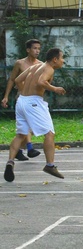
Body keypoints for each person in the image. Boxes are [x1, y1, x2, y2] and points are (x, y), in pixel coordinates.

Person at [4, 48, 66, 182]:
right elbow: (41, 82)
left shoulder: (36, 66)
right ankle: (50, 165)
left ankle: (10, 161)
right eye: (62, 58)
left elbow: (18, 80)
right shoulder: (49, 68)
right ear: (55, 59)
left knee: (21, 134)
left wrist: (25, 92)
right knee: (49, 133)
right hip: (33, 102)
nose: (63, 61)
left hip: (22, 101)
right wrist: (55, 89)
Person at [2, 39, 43, 161]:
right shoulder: (20, 63)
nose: (37, 51)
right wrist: (6, 96)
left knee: (26, 128)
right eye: (35, 48)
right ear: (28, 50)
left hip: (35, 98)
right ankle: (29, 148)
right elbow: (12, 79)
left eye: (39, 49)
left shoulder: (40, 64)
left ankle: (19, 151)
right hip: (22, 97)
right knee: (28, 124)